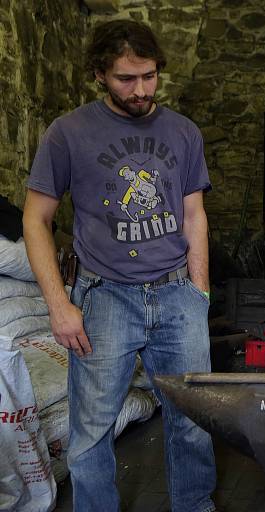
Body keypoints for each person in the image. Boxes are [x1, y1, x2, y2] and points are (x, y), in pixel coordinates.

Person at [22, 20, 216, 512]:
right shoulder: (68, 134)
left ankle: (194, 506)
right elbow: (35, 219)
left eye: (149, 76)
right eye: (126, 79)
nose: (141, 90)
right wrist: (58, 305)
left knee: (194, 419)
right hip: (104, 297)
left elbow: (194, 214)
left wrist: (199, 292)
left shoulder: (182, 132)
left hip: (177, 296)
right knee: (91, 430)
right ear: (99, 75)